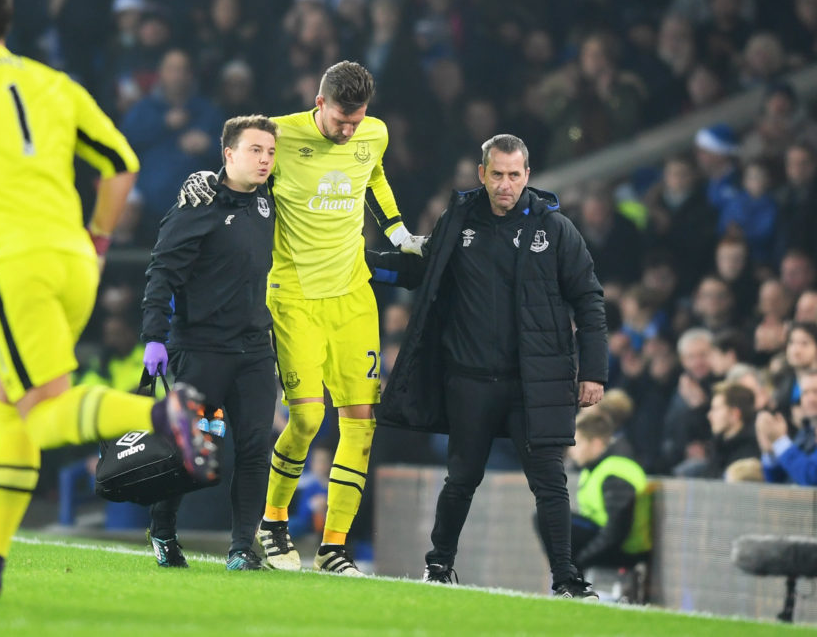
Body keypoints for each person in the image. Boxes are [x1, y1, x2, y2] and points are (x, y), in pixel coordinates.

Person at [0, 0, 216, 601]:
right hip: (73, 257)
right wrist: (98, 240)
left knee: (42, 410)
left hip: (15, 265)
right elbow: (122, 164)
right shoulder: (52, 81)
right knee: (13, 413)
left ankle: (165, 412)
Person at [177, 60, 425, 575]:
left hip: (354, 297)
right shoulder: (280, 135)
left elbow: (374, 176)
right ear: (319, 104)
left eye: (356, 121)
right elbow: (239, 157)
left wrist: (399, 232)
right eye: (340, 120)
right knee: (309, 418)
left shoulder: (373, 134)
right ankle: (272, 523)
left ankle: (334, 547)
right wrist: (204, 178)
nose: (349, 130)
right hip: (294, 297)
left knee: (361, 424)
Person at [367, 134, 608, 599]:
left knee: (550, 483)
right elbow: (422, 272)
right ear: (481, 174)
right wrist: (360, 261)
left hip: (533, 382)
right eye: (496, 174)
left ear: (527, 176)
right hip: (470, 379)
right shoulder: (458, 220)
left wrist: (593, 371)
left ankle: (566, 578)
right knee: (461, 478)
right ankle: (438, 566)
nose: (505, 185)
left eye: (514, 175)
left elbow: (589, 299)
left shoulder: (555, 229)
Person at [140, 114, 279, 572]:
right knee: (191, 449)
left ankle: (242, 548)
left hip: (255, 349)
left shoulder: (269, 201)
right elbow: (161, 272)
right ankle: (162, 530)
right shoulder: (195, 205)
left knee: (257, 447)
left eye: (270, 152)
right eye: (255, 150)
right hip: (200, 348)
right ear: (228, 154)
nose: (265, 160)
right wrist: (154, 337)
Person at [568, 410, 652, 603]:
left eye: (577, 442)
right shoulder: (596, 468)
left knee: (550, 520)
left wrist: (581, 560)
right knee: (553, 518)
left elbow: (617, 530)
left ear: (596, 443)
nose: (572, 449)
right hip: (604, 537)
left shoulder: (616, 472)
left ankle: (569, 581)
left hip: (624, 548)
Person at [757, 370, 817, 486]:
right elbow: (778, 481)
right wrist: (771, 452)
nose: (810, 399)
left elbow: (811, 477)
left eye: (816, 392)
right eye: (805, 393)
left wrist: (780, 440)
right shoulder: (805, 432)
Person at [702, 382, 760, 479]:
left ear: (734, 414)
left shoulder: (749, 453)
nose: (709, 415)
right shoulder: (718, 447)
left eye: (716, 409)